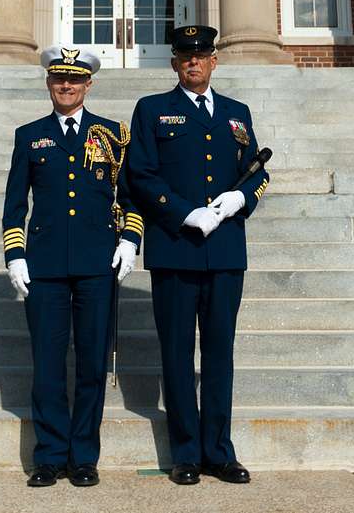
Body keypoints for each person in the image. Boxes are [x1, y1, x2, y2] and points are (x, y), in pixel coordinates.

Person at [125, 24, 268, 486]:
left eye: (201, 55)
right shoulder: (152, 110)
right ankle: (185, 452)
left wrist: (239, 200)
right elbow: (141, 176)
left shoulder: (236, 112)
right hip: (175, 248)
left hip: (226, 251)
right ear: (174, 63)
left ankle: (219, 452)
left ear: (213, 62)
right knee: (177, 352)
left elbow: (255, 172)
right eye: (185, 56)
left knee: (220, 353)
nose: (193, 61)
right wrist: (185, 214)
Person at [1, 46, 144, 488]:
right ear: (49, 83)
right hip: (44, 268)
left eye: (76, 80)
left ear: (88, 85)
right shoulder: (30, 135)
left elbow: (131, 196)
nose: (67, 86)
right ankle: (47, 456)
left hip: (97, 265)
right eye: (60, 79)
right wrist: (15, 255)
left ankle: (83, 456)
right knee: (46, 365)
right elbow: (13, 205)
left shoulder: (113, 133)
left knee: (90, 365)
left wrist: (130, 239)